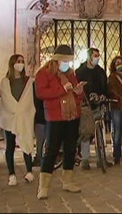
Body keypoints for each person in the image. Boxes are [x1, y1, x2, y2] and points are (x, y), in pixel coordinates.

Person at [35, 45, 85, 199]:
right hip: (55, 116)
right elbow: (41, 93)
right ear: (56, 59)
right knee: (52, 150)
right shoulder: (44, 73)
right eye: (64, 60)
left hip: (72, 115)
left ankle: (68, 181)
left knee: (70, 148)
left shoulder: (71, 73)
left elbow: (76, 93)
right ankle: (43, 186)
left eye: (69, 61)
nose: (67, 64)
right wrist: (62, 90)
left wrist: (78, 91)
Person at [0, 54, 36, 186]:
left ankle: (29, 171)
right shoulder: (5, 81)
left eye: (22, 61)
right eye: (18, 61)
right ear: (12, 63)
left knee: (26, 142)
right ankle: (11, 174)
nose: (20, 64)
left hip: (25, 116)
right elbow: (6, 100)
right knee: (10, 146)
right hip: (10, 117)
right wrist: (16, 109)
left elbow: (30, 99)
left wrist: (23, 110)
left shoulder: (28, 81)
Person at [75, 48, 108, 170]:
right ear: (89, 57)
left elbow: (105, 86)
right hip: (86, 106)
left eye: (98, 55)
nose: (97, 58)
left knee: (100, 132)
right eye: (95, 55)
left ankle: (101, 158)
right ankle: (85, 158)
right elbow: (78, 87)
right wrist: (86, 96)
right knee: (86, 132)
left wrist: (103, 95)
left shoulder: (100, 71)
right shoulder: (80, 72)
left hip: (99, 104)